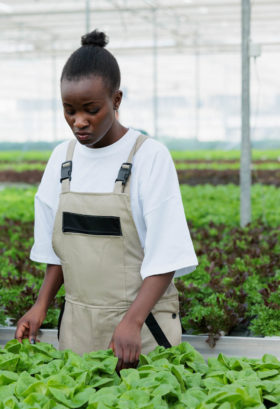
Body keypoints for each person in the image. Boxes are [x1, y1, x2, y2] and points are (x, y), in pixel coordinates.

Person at [15, 30, 198, 372]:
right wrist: (41, 305)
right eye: (69, 110)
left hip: (141, 329)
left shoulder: (149, 157)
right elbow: (60, 249)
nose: (79, 122)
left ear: (116, 100)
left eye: (91, 109)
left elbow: (167, 254)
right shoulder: (61, 159)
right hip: (78, 328)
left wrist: (132, 321)